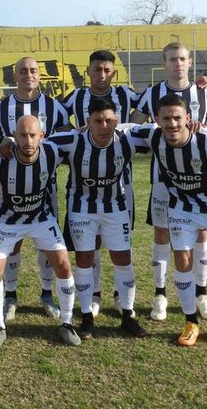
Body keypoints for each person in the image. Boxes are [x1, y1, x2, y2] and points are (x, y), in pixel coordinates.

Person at [130, 94, 207, 348]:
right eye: (166, 118)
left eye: (177, 118)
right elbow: (127, 129)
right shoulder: (154, 135)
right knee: (182, 260)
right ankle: (191, 321)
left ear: (188, 119)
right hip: (180, 208)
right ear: (157, 119)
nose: (172, 124)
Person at [132, 42, 207, 322]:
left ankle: (201, 294)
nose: (178, 64)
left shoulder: (204, 93)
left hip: (202, 181)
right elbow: (135, 127)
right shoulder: (152, 94)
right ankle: (160, 295)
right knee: (161, 233)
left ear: (190, 62)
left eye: (182, 59)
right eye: (172, 59)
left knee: (200, 234)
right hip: (163, 179)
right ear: (164, 63)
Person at [0, 56, 72, 322]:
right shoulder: (1, 107)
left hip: (45, 187)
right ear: (15, 76)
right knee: (14, 242)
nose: (28, 75)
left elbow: (68, 139)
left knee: (47, 245)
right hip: (10, 188)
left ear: (39, 76)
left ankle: (46, 293)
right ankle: (10, 295)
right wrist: (1, 143)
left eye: (33, 70)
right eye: (22, 71)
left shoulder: (54, 107)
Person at [0, 115, 81, 349]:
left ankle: (66, 323)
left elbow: (80, 136)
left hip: (40, 217)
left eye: (33, 135)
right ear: (14, 136)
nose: (28, 141)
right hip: (6, 219)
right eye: (22, 135)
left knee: (64, 264)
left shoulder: (52, 152)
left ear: (42, 136)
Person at [49, 98, 148, 340]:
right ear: (88, 122)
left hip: (115, 207)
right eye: (98, 121)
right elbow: (37, 142)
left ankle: (128, 315)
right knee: (84, 260)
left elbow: (166, 129)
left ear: (116, 120)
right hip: (82, 209)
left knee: (123, 258)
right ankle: (86, 316)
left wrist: (197, 126)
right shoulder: (73, 140)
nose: (104, 125)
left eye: (108, 120)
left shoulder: (129, 137)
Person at [62, 50, 141, 318]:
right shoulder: (76, 97)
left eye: (107, 70)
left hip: (121, 184)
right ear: (88, 71)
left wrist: (199, 85)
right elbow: (50, 114)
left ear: (113, 72)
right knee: (90, 242)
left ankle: (121, 297)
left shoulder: (127, 95)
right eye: (97, 70)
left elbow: (156, 105)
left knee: (120, 242)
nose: (102, 75)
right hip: (83, 184)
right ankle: (93, 295)